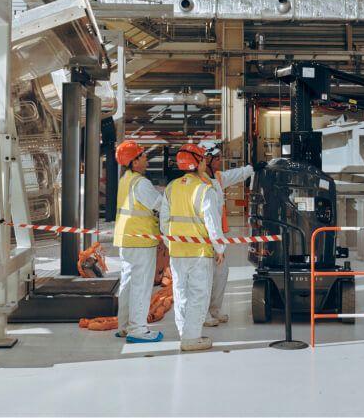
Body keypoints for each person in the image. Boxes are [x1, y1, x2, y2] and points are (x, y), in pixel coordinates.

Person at [159, 143, 224, 352]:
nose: (205, 162)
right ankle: (191, 337)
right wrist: (220, 249)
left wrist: (170, 243)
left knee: (180, 293)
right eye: (203, 159)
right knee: (199, 293)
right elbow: (212, 223)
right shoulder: (205, 190)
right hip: (199, 252)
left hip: (177, 251)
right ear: (198, 163)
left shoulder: (171, 187)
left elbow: (164, 221)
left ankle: (184, 333)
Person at [197, 140, 266, 327]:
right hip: (203, 238)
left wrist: (252, 168)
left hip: (216, 235)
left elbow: (234, 175)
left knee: (221, 273)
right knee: (204, 278)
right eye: (217, 158)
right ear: (207, 158)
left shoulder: (216, 178)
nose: (220, 161)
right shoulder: (198, 181)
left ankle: (214, 310)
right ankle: (202, 315)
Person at [112, 140, 164, 343]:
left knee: (128, 283)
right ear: (134, 162)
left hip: (126, 239)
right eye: (141, 155)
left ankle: (124, 326)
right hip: (141, 240)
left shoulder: (126, 179)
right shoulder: (141, 183)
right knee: (141, 286)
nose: (145, 158)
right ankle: (138, 330)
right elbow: (159, 204)